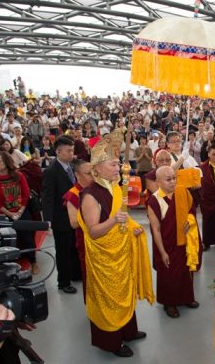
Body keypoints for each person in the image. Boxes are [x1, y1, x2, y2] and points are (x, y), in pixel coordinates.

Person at [78, 129, 154, 357]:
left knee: (125, 289)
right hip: (104, 257)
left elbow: (124, 217)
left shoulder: (114, 187)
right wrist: (114, 220)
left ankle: (128, 330)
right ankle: (110, 342)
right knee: (109, 297)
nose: (118, 167)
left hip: (121, 250)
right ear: (97, 168)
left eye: (117, 163)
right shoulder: (90, 195)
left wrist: (132, 226)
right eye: (113, 164)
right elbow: (93, 232)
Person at [146, 166, 201, 319]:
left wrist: (190, 221)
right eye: (168, 179)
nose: (173, 182)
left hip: (184, 241)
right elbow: (155, 229)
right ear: (157, 182)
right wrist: (162, 252)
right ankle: (169, 303)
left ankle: (186, 298)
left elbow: (191, 210)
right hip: (166, 244)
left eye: (174, 178)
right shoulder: (153, 201)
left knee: (185, 272)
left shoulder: (182, 191)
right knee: (168, 274)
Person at [41, 136, 81, 294]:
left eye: (73, 150)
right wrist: (48, 221)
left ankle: (75, 274)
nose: (72, 153)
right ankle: (63, 282)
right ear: (58, 152)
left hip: (73, 216)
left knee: (74, 247)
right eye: (69, 151)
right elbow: (47, 197)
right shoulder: (51, 171)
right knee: (63, 251)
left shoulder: (71, 166)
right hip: (60, 217)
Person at [63, 159, 94, 301]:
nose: (92, 176)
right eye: (88, 173)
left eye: (94, 172)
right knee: (90, 276)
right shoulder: (73, 194)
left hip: (101, 240)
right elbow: (74, 223)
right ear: (77, 175)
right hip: (86, 240)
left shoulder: (96, 189)